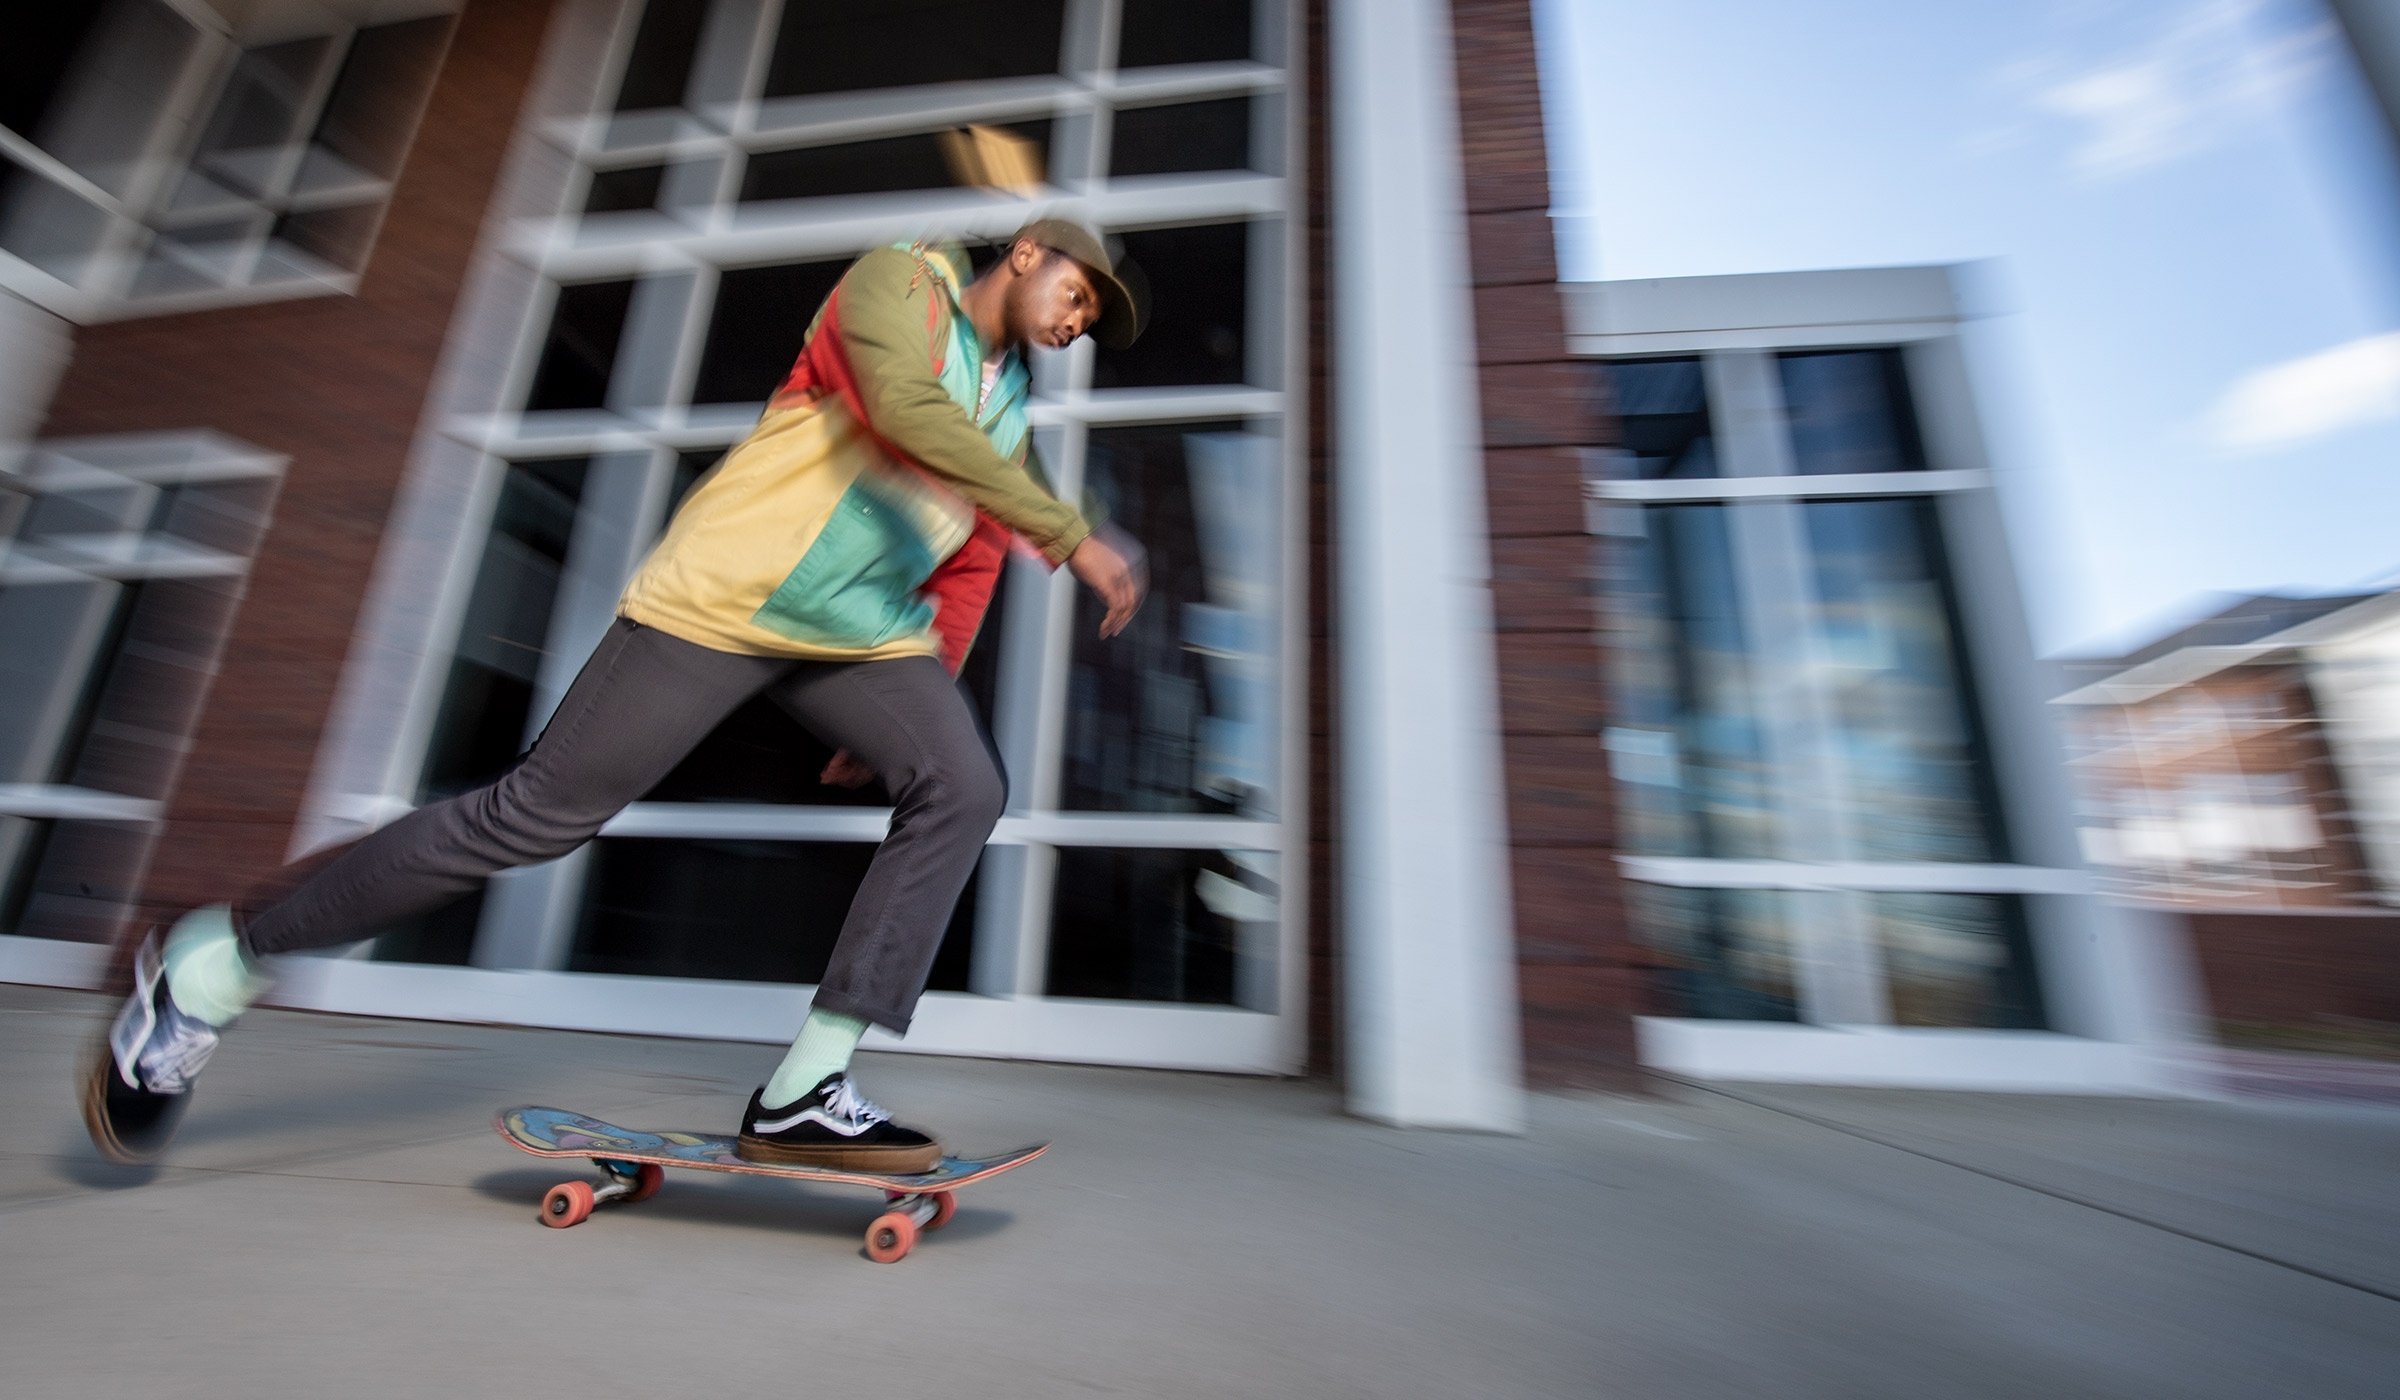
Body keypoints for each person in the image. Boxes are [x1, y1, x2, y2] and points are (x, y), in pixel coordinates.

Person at [85, 218, 1149, 1173]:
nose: (1076, 323)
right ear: (1024, 254)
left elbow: (965, 565)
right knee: (532, 817)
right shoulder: (898, 285)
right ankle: (211, 964)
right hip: (721, 600)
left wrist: (917, 709)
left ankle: (802, 1092)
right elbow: (906, 409)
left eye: (1091, 319)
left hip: (861, 637)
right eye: (1076, 295)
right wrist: (1072, 533)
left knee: (961, 782)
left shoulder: (1009, 413)